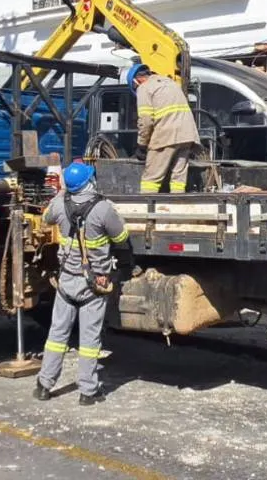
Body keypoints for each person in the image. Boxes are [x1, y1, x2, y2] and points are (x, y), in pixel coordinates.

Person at [34, 161, 132, 405]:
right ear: (89, 182)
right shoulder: (103, 208)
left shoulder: (59, 203)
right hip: (94, 282)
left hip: (67, 279)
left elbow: (45, 219)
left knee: (57, 334)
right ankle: (88, 391)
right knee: (89, 340)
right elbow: (121, 237)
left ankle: (44, 384)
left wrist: (61, 196)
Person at [127, 63, 199, 193]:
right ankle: (177, 204)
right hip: (187, 135)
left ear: (136, 81)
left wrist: (142, 145)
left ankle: (146, 205)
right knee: (178, 178)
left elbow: (146, 121)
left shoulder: (144, 87)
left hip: (166, 136)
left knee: (151, 179)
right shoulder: (171, 83)